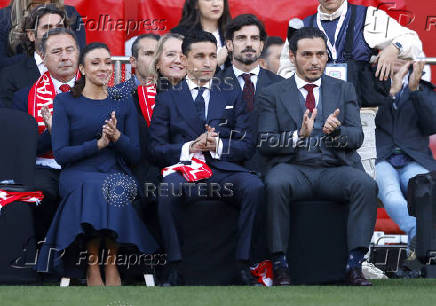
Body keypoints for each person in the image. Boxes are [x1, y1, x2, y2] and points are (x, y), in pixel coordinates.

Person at [257, 27, 377, 286]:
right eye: (307, 54)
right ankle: (280, 265)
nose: (314, 61)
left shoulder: (344, 89)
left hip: (333, 169)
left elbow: (356, 138)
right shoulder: (273, 94)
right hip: (292, 167)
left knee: (365, 184)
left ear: (326, 56)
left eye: (320, 54)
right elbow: (265, 142)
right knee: (275, 184)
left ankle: (354, 265)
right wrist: (297, 135)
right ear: (292, 56)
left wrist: (337, 133)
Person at [36, 42, 158, 286]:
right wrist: (97, 145)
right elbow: (60, 154)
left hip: (115, 170)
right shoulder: (64, 102)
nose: (104, 68)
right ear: (82, 68)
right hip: (76, 174)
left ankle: (110, 262)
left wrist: (116, 138)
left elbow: (135, 155)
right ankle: (93, 264)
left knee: (113, 186)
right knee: (93, 187)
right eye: (96, 63)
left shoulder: (122, 101)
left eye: (108, 62)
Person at [148, 31, 263, 286]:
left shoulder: (232, 94)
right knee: (167, 191)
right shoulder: (168, 98)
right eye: (199, 56)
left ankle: (244, 265)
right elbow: (155, 150)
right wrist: (190, 147)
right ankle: (175, 267)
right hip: (185, 172)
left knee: (254, 187)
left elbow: (247, 145)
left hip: (223, 170)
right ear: (185, 60)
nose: (207, 62)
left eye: (212, 56)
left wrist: (218, 145)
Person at [277, 0, 425, 106]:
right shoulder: (303, 26)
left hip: (362, 115)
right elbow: (285, 71)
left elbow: (412, 41)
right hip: (316, 115)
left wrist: (394, 48)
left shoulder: (369, 17)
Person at [12, 27, 79, 241]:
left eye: (70, 50)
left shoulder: (99, 90)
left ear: (78, 52)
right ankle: (46, 257)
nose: (65, 56)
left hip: (87, 163)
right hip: (45, 166)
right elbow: (24, 149)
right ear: (42, 56)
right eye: (57, 51)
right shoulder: (24, 97)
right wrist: (52, 133)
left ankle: (86, 261)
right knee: (38, 191)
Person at [375, 59, 436, 254]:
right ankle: (419, 237)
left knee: (425, 193)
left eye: (402, 59)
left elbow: (432, 124)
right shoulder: (369, 86)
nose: (396, 63)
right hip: (380, 159)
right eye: (392, 58)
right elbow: (365, 120)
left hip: (414, 160)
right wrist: (391, 91)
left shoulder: (423, 88)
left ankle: (423, 248)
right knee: (391, 196)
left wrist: (415, 89)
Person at [218, 14, 283, 175]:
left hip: (272, 169)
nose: (249, 44)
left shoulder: (281, 86)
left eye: (254, 38)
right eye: (241, 38)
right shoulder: (214, 85)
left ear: (261, 45)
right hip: (227, 170)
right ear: (229, 45)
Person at [0, 4, 68, 108]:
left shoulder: (83, 72)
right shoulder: (10, 76)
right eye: (47, 27)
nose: (55, 32)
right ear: (31, 35)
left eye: (59, 27)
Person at [0, 0, 86, 69]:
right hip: (21, 82)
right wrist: (38, 58)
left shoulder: (70, 13)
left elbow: (80, 55)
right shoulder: (4, 17)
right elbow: (2, 63)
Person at [171, 0, 231, 68]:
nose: (216, 4)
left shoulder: (234, 33)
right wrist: (216, 63)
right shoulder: (180, 34)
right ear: (196, 4)